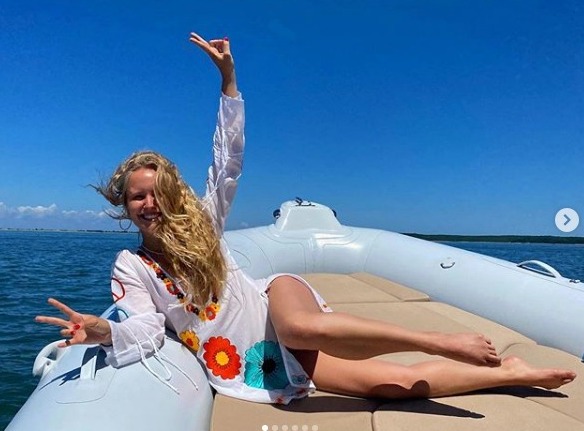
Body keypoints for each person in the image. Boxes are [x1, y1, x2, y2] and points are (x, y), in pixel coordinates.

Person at [36, 32, 576, 405]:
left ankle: (441, 339)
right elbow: (149, 327)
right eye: (136, 197)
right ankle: (508, 374)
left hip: (279, 300)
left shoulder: (203, 221)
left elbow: (227, 162)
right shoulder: (131, 266)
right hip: (256, 354)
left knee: (297, 324)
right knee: (390, 385)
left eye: (156, 193)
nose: (148, 203)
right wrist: (104, 330)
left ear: (173, 195)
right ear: (124, 205)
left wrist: (228, 81)